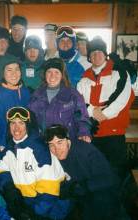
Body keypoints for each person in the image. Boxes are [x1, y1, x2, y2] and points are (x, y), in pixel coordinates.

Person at [0, 107, 72, 220]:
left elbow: (49, 193)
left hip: (51, 211)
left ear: (28, 125)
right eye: (13, 123)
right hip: (26, 207)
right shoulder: (9, 149)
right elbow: (1, 170)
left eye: (21, 123)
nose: (16, 128)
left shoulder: (40, 150)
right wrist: (9, 187)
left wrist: (32, 213)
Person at [77, 37, 135, 181]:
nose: (96, 55)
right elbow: (79, 102)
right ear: (89, 57)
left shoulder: (118, 73)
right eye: (93, 53)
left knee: (115, 176)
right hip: (92, 136)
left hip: (113, 134)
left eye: (99, 51)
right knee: (95, 176)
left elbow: (123, 99)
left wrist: (103, 114)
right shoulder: (84, 78)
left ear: (105, 54)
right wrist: (91, 111)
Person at [44, 124, 127, 220]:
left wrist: (81, 187)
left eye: (60, 142)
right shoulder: (50, 156)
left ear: (67, 140)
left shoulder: (86, 151)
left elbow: (109, 178)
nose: (57, 149)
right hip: (79, 197)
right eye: (51, 145)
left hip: (102, 195)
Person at [29, 57, 91, 142]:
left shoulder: (72, 94)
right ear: (44, 74)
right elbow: (31, 121)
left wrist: (83, 133)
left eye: (56, 72)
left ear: (62, 75)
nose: (52, 76)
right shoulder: (37, 95)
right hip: (44, 143)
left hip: (67, 142)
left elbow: (81, 117)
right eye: (49, 72)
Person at [0, 55, 30, 149]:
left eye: (17, 69)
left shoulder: (25, 92)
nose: (14, 74)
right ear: (3, 73)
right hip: (4, 144)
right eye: (9, 70)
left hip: (24, 143)